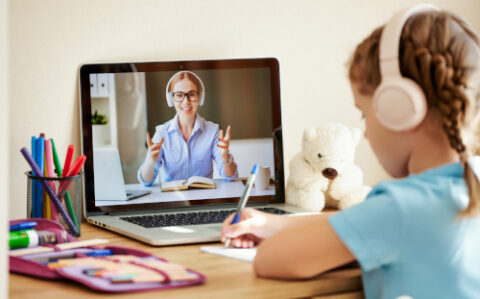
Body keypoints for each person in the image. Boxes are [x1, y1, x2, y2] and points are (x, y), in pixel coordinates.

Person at [221, 6, 480, 298]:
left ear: (400, 108)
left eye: (364, 113)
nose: (366, 132)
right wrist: (275, 223)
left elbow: (272, 260)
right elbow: (364, 220)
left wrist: (277, 236)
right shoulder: (467, 185)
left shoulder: (402, 208)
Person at [138, 70, 238, 185]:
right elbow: (146, 182)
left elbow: (231, 177)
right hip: (173, 200)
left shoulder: (212, 131)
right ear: (171, 99)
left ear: (199, 97)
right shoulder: (162, 133)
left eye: (191, 94)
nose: (186, 102)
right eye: (179, 95)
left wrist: (226, 158)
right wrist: (150, 162)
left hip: (204, 199)